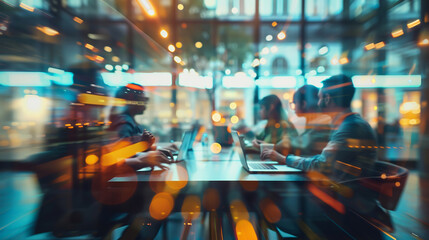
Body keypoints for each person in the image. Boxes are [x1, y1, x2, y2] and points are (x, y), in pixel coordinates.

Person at [107, 83, 177, 170]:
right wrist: (143, 154)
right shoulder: (124, 124)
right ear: (132, 101)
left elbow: (131, 151)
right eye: (143, 99)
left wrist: (154, 149)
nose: (145, 103)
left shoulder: (128, 120)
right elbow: (118, 158)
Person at [289, 85, 331, 156]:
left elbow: (301, 144)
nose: (293, 107)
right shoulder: (313, 121)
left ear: (304, 104)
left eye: (294, 103)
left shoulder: (321, 122)